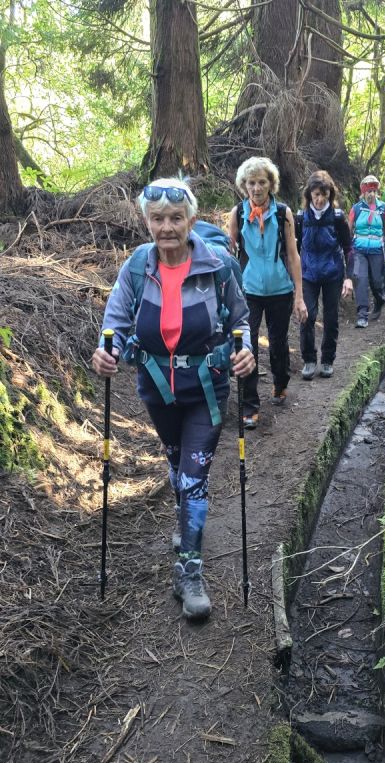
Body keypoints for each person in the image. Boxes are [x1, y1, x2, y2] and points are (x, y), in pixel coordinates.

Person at [91, 177, 255, 622]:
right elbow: (115, 322)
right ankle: (185, 516)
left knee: (194, 476)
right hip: (157, 389)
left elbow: (240, 321)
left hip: (206, 389)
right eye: (158, 218)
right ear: (147, 221)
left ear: (191, 220)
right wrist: (105, 352)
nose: (167, 227)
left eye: (176, 218)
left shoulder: (218, 266)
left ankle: (189, 573)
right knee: (177, 460)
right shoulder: (137, 266)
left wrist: (245, 352)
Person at [228, 157, 307, 429]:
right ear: (244, 185)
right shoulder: (238, 214)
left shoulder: (283, 213)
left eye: (262, 182)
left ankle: (280, 383)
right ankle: (250, 404)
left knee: (277, 342)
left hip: (280, 289)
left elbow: (293, 256)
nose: (257, 188)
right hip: (248, 290)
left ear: (271, 184)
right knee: (246, 345)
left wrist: (299, 296)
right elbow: (228, 253)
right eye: (251, 183)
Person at [295, 171, 353, 380]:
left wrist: (348, 277)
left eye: (324, 195)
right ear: (309, 194)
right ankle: (309, 360)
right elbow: (294, 249)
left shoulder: (337, 218)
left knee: (330, 318)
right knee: (307, 316)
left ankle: (327, 360)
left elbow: (348, 248)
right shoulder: (300, 218)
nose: (319, 199)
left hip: (332, 273)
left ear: (330, 195)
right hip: (308, 273)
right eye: (316, 194)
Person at [348, 175, 385, 328]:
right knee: (361, 279)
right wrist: (347, 249)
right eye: (368, 191)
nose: (371, 194)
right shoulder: (356, 208)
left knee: (376, 281)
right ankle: (362, 315)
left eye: (374, 191)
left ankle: (379, 300)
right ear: (363, 192)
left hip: (376, 250)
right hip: (359, 250)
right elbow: (348, 229)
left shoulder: (383, 208)